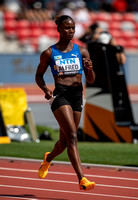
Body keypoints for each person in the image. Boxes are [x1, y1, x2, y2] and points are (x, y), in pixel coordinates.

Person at [35, 15, 96, 191]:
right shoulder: (49, 53)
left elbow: (91, 80)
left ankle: (48, 158)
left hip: (77, 96)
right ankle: (82, 178)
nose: (71, 31)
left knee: (64, 142)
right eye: (67, 28)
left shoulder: (82, 51)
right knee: (73, 137)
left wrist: (90, 69)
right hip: (60, 96)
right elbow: (38, 75)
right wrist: (46, 90)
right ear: (59, 29)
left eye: (73, 28)